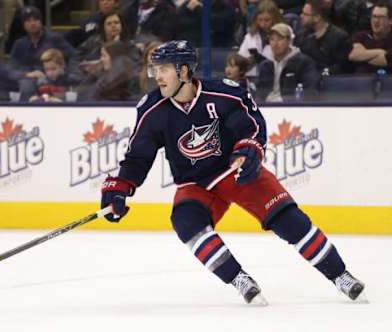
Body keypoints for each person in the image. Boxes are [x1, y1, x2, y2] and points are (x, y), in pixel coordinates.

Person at [99, 40, 366, 304]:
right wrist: (120, 186)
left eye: (164, 69)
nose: (157, 76)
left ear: (183, 71)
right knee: (186, 222)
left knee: (289, 221)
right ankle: (239, 279)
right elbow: (138, 156)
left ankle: (340, 275)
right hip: (195, 183)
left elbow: (251, 127)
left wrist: (248, 150)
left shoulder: (225, 94)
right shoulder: (152, 109)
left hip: (234, 172)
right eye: (154, 69)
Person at [256, 22, 320, 101]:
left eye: (280, 39)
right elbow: (260, 92)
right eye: (272, 39)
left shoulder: (304, 62)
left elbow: (310, 90)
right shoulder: (265, 65)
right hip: (267, 107)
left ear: (289, 41)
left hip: (291, 106)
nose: (275, 44)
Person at [295, 0, 353, 74]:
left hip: (331, 80)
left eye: (305, 14)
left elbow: (343, 66)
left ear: (317, 17)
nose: (301, 16)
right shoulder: (301, 36)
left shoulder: (340, 37)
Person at [238, 0, 284, 77]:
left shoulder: (284, 35)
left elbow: (286, 62)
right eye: (260, 20)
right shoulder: (250, 36)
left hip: (275, 79)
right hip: (251, 78)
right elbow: (240, 59)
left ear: (275, 18)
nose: (263, 24)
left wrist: (263, 61)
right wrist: (247, 62)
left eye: (267, 20)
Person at [348, 1, 392, 73]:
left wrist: (363, 56)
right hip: (360, 82)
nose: (376, 21)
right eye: (374, 16)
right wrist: (380, 52)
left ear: (390, 20)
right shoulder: (361, 36)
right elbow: (354, 55)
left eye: (381, 17)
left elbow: (386, 61)